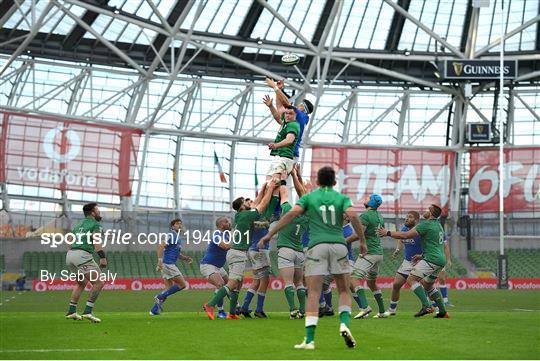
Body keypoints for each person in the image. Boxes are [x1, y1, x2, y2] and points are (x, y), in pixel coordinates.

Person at [259, 166, 365, 350]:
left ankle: (309, 340)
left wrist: (270, 234)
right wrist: (362, 241)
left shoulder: (310, 198)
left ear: (318, 182)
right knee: (343, 291)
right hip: (339, 246)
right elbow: (354, 217)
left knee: (314, 292)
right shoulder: (342, 198)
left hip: (317, 247)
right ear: (334, 182)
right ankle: (344, 325)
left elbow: (289, 216)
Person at [202, 182, 277, 320]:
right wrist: (271, 189)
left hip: (236, 253)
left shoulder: (241, 215)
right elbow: (263, 203)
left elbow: (258, 201)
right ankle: (210, 305)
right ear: (242, 207)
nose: (250, 202)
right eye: (245, 202)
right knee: (232, 283)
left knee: (238, 283)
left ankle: (232, 313)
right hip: (238, 254)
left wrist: (264, 188)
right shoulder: (246, 215)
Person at [378, 204, 449, 318]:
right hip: (440, 260)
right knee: (428, 285)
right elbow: (435, 245)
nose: (424, 211)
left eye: (427, 209)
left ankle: (426, 305)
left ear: (430, 213)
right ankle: (443, 311)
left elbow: (405, 235)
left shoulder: (425, 224)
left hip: (431, 259)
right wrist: (422, 256)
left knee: (411, 279)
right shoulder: (438, 225)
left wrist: (387, 232)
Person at [258, 178, 308, 319]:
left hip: (286, 250)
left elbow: (284, 194)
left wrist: (283, 182)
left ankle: (293, 310)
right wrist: (299, 178)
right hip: (299, 252)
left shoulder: (287, 210)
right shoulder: (307, 217)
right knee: (299, 283)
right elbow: (305, 195)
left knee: (288, 282)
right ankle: (303, 310)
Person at [65, 202, 107, 323]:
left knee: (81, 283)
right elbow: (96, 241)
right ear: (93, 213)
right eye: (98, 210)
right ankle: (88, 312)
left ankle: (72, 311)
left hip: (70, 255)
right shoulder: (95, 225)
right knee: (99, 283)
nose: (99, 212)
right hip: (82, 255)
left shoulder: (78, 225)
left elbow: (69, 241)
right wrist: (102, 257)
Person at [349, 194, 388, 319]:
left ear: (371, 202)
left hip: (369, 253)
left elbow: (358, 234)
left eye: (368, 197)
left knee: (353, 279)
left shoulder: (365, 215)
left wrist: (344, 241)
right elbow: (381, 233)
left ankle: (365, 307)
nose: (365, 198)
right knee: (371, 283)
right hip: (378, 253)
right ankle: (382, 312)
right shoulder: (379, 216)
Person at [264, 78, 313, 164]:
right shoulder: (294, 118)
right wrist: (272, 105)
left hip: (289, 154)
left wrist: (275, 87)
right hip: (284, 153)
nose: (298, 105)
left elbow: (286, 103)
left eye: (301, 105)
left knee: (276, 177)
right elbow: (280, 111)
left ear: (304, 109)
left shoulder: (301, 116)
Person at [150, 218, 193, 315]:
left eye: (181, 224)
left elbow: (177, 254)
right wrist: (159, 261)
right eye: (177, 224)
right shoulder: (171, 235)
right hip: (168, 264)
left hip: (167, 264)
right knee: (183, 285)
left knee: (168, 289)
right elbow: (161, 246)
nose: (180, 225)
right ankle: (159, 297)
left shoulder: (178, 238)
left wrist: (186, 258)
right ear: (172, 226)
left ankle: (154, 310)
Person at [384, 211, 422, 316]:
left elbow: (429, 244)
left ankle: (435, 306)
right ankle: (392, 310)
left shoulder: (420, 230)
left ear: (417, 220)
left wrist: (422, 256)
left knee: (426, 286)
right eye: (406, 217)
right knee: (396, 284)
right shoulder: (405, 229)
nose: (406, 218)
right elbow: (401, 239)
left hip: (420, 262)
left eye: (410, 217)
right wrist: (398, 249)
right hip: (407, 262)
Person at [262, 96, 300, 184]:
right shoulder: (286, 123)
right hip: (279, 157)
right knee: (267, 184)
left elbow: (289, 140)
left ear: (295, 115)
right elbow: (277, 117)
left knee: (274, 184)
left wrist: (275, 145)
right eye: (286, 113)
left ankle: (278, 197)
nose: (287, 115)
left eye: (290, 113)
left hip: (285, 158)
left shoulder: (293, 125)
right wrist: (271, 106)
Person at [200, 216, 232, 319]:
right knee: (220, 284)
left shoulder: (226, 235)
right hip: (208, 265)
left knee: (230, 285)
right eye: (227, 221)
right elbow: (226, 246)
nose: (229, 223)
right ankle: (220, 311)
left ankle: (236, 307)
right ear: (222, 225)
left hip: (218, 267)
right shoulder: (217, 235)